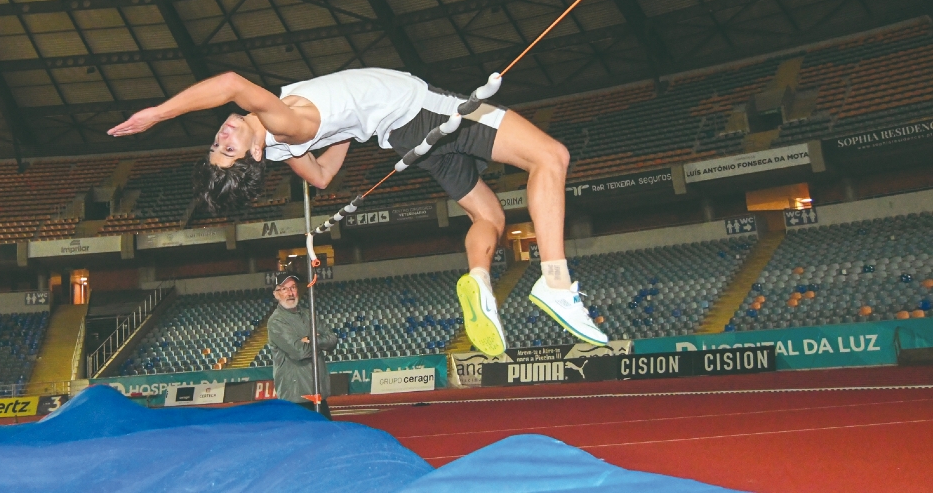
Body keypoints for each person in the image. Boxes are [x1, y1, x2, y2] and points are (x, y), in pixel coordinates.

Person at [109, 68, 607, 355]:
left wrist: (348, 123)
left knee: (491, 218)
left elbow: (323, 176)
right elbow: (231, 83)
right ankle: (556, 281)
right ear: (254, 155)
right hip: (426, 113)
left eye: (216, 143)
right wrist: (157, 113)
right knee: (551, 157)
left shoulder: (284, 146)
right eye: (229, 148)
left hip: (409, 138)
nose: (222, 135)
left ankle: (479, 281)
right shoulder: (277, 123)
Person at [265, 271, 337, 416]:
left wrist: (309, 339)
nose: (290, 293)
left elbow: (332, 340)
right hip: (296, 396)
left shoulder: (308, 314)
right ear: (276, 294)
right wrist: (317, 340)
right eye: (284, 289)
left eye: (293, 287)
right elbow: (299, 352)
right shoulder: (276, 321)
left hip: (318, 391)